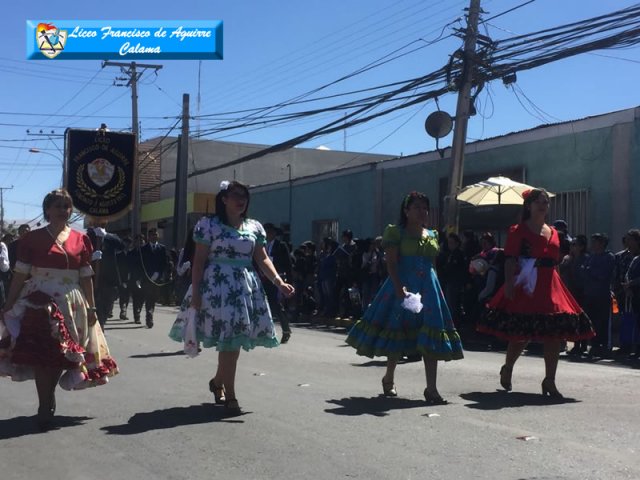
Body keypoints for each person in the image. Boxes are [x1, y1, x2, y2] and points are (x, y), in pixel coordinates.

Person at [168, 180, 295, 415]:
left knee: (233, 341)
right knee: (229, 341)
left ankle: (218, 382)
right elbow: (198, 262)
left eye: (244, 196)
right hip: (216, 288)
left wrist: (278, 281)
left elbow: (263, 258)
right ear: (224, 199)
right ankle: (231, 394)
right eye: (236, 196)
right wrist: (195, 293)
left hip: (245, 289)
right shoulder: (208, 226)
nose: (241, 201)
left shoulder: (254, 227)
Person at [0, 188, 118, 430]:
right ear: (47, 210)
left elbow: (86, 276)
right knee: (42, 352)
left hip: (71, 302)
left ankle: (48, 396)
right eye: (58, 206)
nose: (64, 211)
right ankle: (45, 404)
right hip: (38, 301)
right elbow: (20, 274)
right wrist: (10, 303)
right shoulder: (31, 238)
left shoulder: (80, 238)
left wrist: (92, 306)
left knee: (60, 355)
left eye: (67, 206)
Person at [346, 191, 463, 405]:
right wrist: (399, 289)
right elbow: (391, 263)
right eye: (417, 207)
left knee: (432, 335)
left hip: (429, 289)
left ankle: (431, 388)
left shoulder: (432, 235)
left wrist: (437, 289)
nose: (422, 211)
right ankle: (389, 377)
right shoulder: (396, 233)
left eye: (424, 207)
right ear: (406, 211)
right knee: (397, 331)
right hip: (403, 287)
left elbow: (433, 265)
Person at [477, 188, 594, 398]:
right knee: (521, 334)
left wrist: (560, 287)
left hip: (550, 284)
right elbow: (510, 258)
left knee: (553, 334)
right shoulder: (518, 230)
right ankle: (508, 367)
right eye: (539, 202)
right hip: (527, 284)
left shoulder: (554, 232)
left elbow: (555, 262)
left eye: (546, 203)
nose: (543, 206)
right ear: (529, 206)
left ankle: (549, 380)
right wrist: (510, 283)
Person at [582, 233, 615, 359]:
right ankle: (594, 344)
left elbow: (603, 275)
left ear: (602, 243)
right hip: (590, 294)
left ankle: (604, 345)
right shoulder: (591, 257)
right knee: (592, 320)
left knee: (602, 320)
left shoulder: (608, 257)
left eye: (595, 242)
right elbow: (583, 271)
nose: (593, 245)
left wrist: (590, 271)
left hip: (602, 294)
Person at [262, 223, 293, 343]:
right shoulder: (262, 245)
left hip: (277, 278)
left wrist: (289, 281)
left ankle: (285, 330)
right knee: (263, 304)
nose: (268, 234)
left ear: (274, 233)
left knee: (276, 304)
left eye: (270, 232)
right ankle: (264, 331)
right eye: (267, 232)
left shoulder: (280, 246)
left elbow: (288, 264)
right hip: (263, 278)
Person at [139, 228, 170, 328]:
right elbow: (140, 264)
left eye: (156, 235)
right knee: (148, 298)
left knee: (153, 298)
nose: (154, 236)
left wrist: (159, 273)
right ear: (149, 237)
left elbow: (165, 263)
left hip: (157, 279)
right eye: (152, 235)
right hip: (146, 278)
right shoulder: (143, 249)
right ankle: (149, 316)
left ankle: (150, 312)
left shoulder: (162, 248)